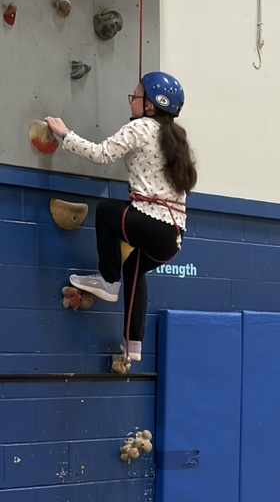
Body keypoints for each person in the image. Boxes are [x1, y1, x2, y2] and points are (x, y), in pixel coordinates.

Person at [46, 72, 197, 366]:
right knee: (134, 268)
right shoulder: (176, 138)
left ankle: (107, 280)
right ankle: (133, 344)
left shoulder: (140, 127)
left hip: (154, 223)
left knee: (106, 211)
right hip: (174, 238)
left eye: (135, 95)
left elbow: (101, 154)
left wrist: (65, 134)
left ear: (150, 105)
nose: (131, 100)